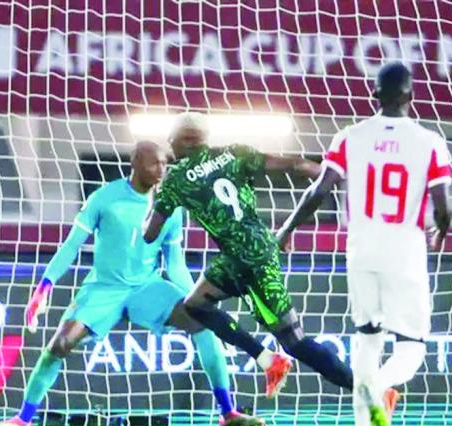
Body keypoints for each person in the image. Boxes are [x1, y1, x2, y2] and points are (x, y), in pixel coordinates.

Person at [0, 142, 270, 426]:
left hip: (146, 288)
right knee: (59, 345)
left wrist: (197, 300)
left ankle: (228, 413)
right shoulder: (104, 198)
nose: (161, 170)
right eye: (154, 163)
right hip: (104, 288)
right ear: (135, 162)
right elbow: (71, 245)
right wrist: (45, 286)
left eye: (165, 164)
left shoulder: (171, 208)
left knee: (204, 325)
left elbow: (175, 264)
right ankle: (23, 418)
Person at [275, 61, 452, 426]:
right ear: (411, 95)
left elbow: (319, 191)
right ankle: (380, 388)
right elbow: (443, 205)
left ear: (375, 95)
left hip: (361, 250)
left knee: (367, 342)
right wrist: (441, 228)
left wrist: (286, 228)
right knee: (411, 348)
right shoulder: (429, 142)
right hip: (405, 251)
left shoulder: (349, 137)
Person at [142, 113, 355, 392]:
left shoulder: (176, 180)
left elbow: (149, 234)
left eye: (171, 140)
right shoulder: (235, 153)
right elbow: (295, 165)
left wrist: (153, 197)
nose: (170, 146)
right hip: (255, 250)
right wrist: (329, 176)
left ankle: (368, 389)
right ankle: (269, 361)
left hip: (246, 261)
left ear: (179, 140)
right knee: (195, 304)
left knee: (294, 342)